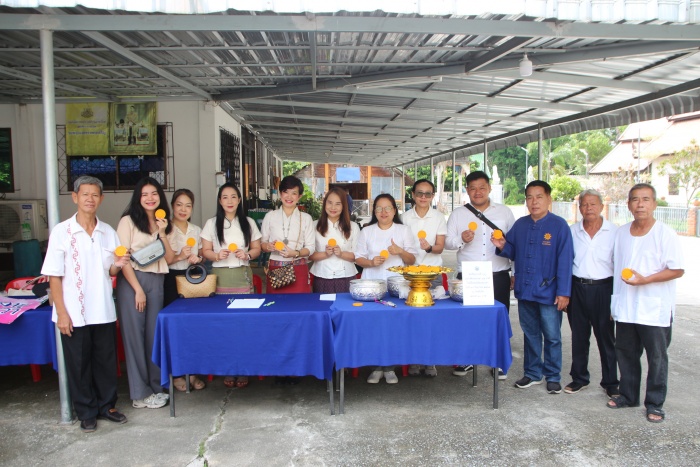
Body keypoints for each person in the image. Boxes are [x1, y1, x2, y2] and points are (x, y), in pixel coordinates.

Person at [41, 176, 130, 433]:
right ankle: (86, 412)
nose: (90, 199)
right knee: (79, 365)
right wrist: (61, 313)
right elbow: (54, 276)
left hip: (102, 309)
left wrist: (118, 264)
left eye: (95, 195)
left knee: (105, 361)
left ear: (101, 199)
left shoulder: (108, 232)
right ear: (75, 197)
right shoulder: (62, 232)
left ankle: (107, 406)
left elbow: (111, 269)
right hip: (73, 313)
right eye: (85, 194)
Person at [606, 183, 684, 423]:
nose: (640, 204)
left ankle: (655, 403)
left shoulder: (664, 233)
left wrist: (646, 280)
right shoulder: (621, 233)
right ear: (628, 204)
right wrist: (614, 305)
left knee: (657, 357)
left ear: (654, 204)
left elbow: (677, 269)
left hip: (654, 308)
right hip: (626, 306)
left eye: (645, 199)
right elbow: (615, 265)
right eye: (635, 199)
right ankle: (628, 395)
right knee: (626, 353)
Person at [492, 180, 573, 394]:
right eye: (530, 197)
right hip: (526, 290)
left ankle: (553, 375)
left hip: (550, 291)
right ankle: (533, 372)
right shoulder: (521, 224)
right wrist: (502, 246)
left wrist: (564, 292)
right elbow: (512, 250)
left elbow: (565, 260)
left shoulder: (559, 226)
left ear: (549, 199)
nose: (534, 202)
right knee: (530, 334)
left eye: (539, 197)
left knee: (552, 336)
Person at [446, 170, 516, 380]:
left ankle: (498, 362)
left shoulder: (504, 212)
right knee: (468, 319)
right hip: (469, 276)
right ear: (467, 190)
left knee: (497, 319)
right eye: (473, 188)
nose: (478, 192)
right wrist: (461, 239)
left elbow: (514, 244)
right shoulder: (458, 214)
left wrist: (515, 272)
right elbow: (448, 242)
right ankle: (467, 358)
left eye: (482, 188)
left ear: (489, 188)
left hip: (498, 274)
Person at [116, 177, 176, 409]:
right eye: (145, 194)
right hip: (134, 282)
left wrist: (162, 232)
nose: (150, 198)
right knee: (135, 338)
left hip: (157, 281)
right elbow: (122, 259)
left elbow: (169, 258)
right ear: (138, 198)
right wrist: (138, 290)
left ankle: (155, 386)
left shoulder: (163, 223)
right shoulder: (128, 221)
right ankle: (139, 394)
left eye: (154, 193)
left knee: (153, 337)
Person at [201, 183, 262, 389]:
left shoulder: (248, 222)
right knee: (224, 325)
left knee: (244, 324)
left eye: (233, 197)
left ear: (239, 200)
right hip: (220, 277)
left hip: (242, 276)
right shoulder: (211, 223)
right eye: (225, 197)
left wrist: (248, 254)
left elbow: (257, 248)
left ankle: (243, 369)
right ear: (220, 201)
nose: (229, 201)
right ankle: (227, 368)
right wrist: (216, 255)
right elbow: (205, 251)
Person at [355, 193, 419, 384]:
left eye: (388, 208)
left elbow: (412, 260)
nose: (383, 212)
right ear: (374, 211)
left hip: (396, 286)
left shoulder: (403, 230)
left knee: (394, 327)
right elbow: (358, 258)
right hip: (372, 285)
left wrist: (400, 251)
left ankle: (391, 367)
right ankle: (375, 367)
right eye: (379, 208)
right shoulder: (367, 231)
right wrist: (371, 262)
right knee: (373, 326)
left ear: (394, 210)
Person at [565, 189, 619, 397]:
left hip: (604, 289)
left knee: (606, 337)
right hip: (577, 287)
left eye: (593, 204)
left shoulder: (614, 232)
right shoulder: (572, 231)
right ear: (579, 208)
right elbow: (565, 263)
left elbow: (620, 265)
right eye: (584, 204)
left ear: (601, 206)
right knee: (579, 336)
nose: (589, 208)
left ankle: (610, 382)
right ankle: (579, 378)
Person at [400, 179, 447, 378]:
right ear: (413, 195)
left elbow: (440, 247)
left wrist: (428, 248)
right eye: (419, 193)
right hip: (409, 274)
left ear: (433, 196)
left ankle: (429, 360)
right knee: (410, 318)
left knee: (430, 319)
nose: (423, 197)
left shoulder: (438, 217)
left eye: (428, 194)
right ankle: (413, 359)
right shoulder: (404, 218)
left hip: (432, 274)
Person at [163, 188, 206, 392]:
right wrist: (180, 256)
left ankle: (193, 371)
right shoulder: (165, 229)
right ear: (172, 206)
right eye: (179, 205)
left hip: (192, 279)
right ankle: (177, 374)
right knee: (175, 328)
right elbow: (161, 259)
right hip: (170, 279)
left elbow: (203, 255)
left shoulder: (196, 230)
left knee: (193, 326)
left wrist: (198, 258)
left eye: (188, 206)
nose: (183, 209)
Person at [260, 176, 315, 294]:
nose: (289, 197)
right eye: (286, 192)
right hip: (276, 270)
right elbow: (262, 244)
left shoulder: (306, 218)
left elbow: (311, 247)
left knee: (299, 304)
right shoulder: (270, 216)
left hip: (298, 269)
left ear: (299, 196)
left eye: (294, 193)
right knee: (275, 304)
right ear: (280, 193)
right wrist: (268, 246)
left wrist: (296, 253)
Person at [309, 187, 360, 293]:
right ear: (324, 204)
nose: (333, 207)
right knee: (323, 303)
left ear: (344, 206)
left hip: (346, 276)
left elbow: (358, 256)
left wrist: (341, 254)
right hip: (322, 277)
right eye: (330, 203)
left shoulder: (353, 227)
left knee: (345, 304)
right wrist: (325, 254)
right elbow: (308, 255)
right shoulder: (314, 225)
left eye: (338, 204)